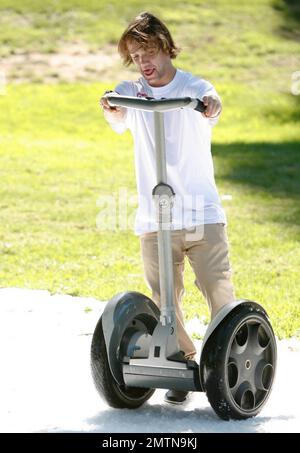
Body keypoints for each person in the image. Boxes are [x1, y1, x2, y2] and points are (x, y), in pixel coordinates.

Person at [100, 12, 235, 404]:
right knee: (164, 300)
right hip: (155, 218)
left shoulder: (195, 86)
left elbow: (213, 105)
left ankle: (222, 362)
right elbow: (117, 112)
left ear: (166, 47)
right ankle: (181, 363)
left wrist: (209, 105)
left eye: (149, 51)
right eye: (136, 54)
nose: (144, 61)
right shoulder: (133, 91)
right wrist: (110, 105)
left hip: (201, 212)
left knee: (217, 287)